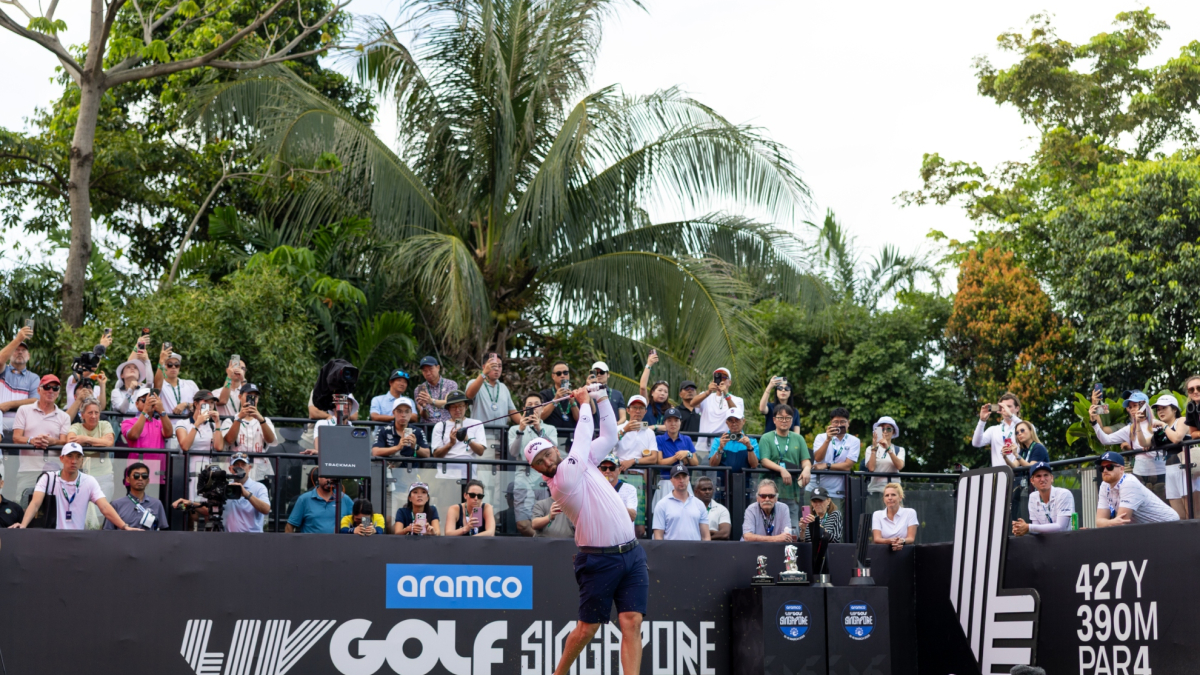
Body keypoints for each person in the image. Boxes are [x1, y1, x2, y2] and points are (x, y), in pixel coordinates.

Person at [524, 384, 644, 675]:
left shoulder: (585, 460)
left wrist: (602, 398)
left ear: (554, 449)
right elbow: (582, 435)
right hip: (598, 559)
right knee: (587, 629)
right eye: (540, 462)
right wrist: (585, 402)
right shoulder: (562, 481)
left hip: (632, 554)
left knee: (632, 621)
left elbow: (611, 436)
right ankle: (559, 673)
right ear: (537, 469)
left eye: (548, 455)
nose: (548, 462)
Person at [10, 442, 138, 530]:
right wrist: (23, 525)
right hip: (51, 536)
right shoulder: (48, 478)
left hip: (78, 537)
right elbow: (35, 504)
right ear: (61, 458)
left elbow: (104, 506)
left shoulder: (89, 481)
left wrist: (124, 526)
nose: (74, 461)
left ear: (82, 460)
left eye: (78, 457)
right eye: (69, 456)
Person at [1091, 390, 1168, 501]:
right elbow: (1105, 439)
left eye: (1135, 406)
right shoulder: (1130, 429)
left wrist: (1151, 444)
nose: (1132, 409)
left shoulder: (1158, 424)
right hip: (1140, 474)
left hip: (1161, 472)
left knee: (1163, 507)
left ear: (1144, 406)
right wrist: (1094, 424)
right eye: (1130, 407)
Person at [13, 374, 71, 500]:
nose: (51, 391)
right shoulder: (24, 410)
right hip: (28, 469)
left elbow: (64, 442)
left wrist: (52, 442)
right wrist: (31, 440)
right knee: (22, 505)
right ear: (39, 390)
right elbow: (16, 438)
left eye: (55, 388)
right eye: (47, 387)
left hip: (55, 471)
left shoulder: (64, 416)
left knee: (53, 510)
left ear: (58, 392)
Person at [509, 393, 557, 536]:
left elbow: (553, 450)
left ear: (542, 408)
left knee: (543, 519)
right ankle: (539, 541)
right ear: (523, 409)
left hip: (543, 477)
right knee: (523, 523)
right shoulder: (514, 429)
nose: (533, 408)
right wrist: (521, 430)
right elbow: (513, 452)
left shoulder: (549, 429)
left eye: (537, 405)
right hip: (523, 476)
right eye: (529, 405)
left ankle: (541, 548)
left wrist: (538, 429)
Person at [757, 403, 812, 528]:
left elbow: (805, 460)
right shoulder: (766, 437)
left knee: (791, 528)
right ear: (774, 420)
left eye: (788, 418)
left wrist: (807, 469)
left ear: (792, 420)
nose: (784, 421)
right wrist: (782, 469)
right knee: (766, 527)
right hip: (768, 493)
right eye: (780, 417)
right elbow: (764, 460)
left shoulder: (798, 438)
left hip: (791, 492)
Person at [1094, 451, 1179, 527]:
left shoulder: (1129, 483)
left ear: (1122, 469)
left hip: (1168, 525)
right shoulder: (1105, 485)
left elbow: (1122, 523)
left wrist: (1109, 522)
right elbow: (1099, 522)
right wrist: (1112, 522)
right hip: (1146, 528)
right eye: (1101, 468)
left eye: (1109, 467)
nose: (1105, 470)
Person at [220, 383, 278, 483]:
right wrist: (239, 418)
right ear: (240, 397)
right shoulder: (230, 420)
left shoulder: (265, 420)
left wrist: (261, 420)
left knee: (259, 498)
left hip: (260, 473)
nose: (252, 399)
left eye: (255, 396)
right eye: (249, 396)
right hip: (236, 472)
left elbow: (271, 440)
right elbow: (229, 440)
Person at [69, 399, 117, 517]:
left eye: (97, 412)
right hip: (81, 477)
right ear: (82, 415)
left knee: (101, 514)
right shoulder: (76, 426)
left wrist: (85, 440)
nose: (94, 416)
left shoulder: (105, 424)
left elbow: (108, 442)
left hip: (104, 476)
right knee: (80, 513)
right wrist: (98, 442)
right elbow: (70, 441)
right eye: (90, 413)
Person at [119, 387, 172, 486]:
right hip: (136, 474)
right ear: (136, 403)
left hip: (157, 473)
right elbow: (133, 435)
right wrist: (145, 411)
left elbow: (169, 433)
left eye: (152, 400)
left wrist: (162, 411)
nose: (148, 403)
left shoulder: (160, 422)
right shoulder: (127, 422)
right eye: (144, 400)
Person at [176, 389, 225, 499]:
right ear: (196, 404)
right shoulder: (183, 423)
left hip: (209, 474)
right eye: (205, 402)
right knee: (193, 510)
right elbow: (185, 446)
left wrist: (217, 423)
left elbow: (219, 447)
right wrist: (197, 423)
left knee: (209, 508)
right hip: (190, 473)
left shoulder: (212, 426)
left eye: (212, 403)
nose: (210, 405)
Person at [809, 407, 860, 508]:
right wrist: (828, 440)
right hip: (815, 487)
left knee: (835, 522)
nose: (839, 425)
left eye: (843, 421)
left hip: (836, 491)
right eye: (836, 421)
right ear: (831, 423)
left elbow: (847, 466)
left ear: (848, 423)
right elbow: (818, 458)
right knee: (810, 520)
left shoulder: (854, 441)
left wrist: (826, 466)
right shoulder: (821, 437)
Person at [687, 367, 745, 456]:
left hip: (726, 444)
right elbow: (692, 403)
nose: (721, 380)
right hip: (704, 445)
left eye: (724, 378)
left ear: (729, 383)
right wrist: (708, 391)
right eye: (717, 377)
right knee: (703, 469)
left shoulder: (738, 400)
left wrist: (726, 394)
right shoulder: (706, 395)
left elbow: (736, 414)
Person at [1161, 388, 1200, 519]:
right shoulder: (1161, 428)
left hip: (1185, 468)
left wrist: (1163, 426)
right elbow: (1146, 444)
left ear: (1174, 409)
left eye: (1164, 408)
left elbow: (1177, 438)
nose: (1160, 411)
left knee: (1193, 514)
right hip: (1169, 470)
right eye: (1158, 409)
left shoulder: (1181, 420)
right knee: (1179, 517)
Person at [431, 390, 487, 480]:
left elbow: (480, 451)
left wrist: (467, 440)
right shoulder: (440, 426)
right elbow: (436, 455)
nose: (457, 410)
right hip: (445, 476)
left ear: (466, 406)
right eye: (453, 407)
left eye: (460, 406)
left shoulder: (477, 423)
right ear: (448, 409)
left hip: (468, 475)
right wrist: (450, 444)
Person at [1012, 462, 1074, 536]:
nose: (1042, 479)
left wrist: (1028, 527)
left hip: (1065, 542)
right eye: (1038, 476)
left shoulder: (1064, 494)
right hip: (1045, 544)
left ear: (1052, 478)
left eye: (1046, 475)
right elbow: (1037, 529)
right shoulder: (1033, 497)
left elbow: (1061, 527)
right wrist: (1020, 528)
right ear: (1032, 481)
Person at [285, 467, 355, 533]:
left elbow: (362, 517)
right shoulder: (304, 499)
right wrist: (291, 545)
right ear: (319, 477)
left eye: (332, 477)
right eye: (326, 477)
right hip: (311, 545)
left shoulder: (345, 499)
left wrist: (359, 530)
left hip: (338, 545)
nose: (329, 480)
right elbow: (290, 526)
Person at [653, 465, 710, 541]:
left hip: (695, 551)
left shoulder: (699, 504)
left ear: (688, 478)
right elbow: (658, 537)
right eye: (677, 477)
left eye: (684, 476)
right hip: (671, 551)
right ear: (671, 480)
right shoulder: (662, 505)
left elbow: (706, 537)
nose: (681, 480)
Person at [104, 463, 169, 530]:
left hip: (149, 540)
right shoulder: (116, 504)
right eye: (136, 475)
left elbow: (163, 531)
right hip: (124, 540)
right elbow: (108, 531)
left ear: (148, 480)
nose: (140, 478)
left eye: (144, 476)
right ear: (128, 479)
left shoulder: (156, 504)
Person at [1007, 420, 1050, 518]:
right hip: (1027, 489)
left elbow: (1031, 467)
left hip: (1039, 489)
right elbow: (1014, 466)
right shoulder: (1023, 450)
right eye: (1017, 433)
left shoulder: (1038, 448)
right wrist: (1005, 456)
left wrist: (1016, 454)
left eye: (1022, 430)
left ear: (1031, 431)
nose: (1020, 434)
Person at [0, 326, 38, 437]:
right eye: (16, 349)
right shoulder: (3, 370)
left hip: (22, 427)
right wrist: (18, 340)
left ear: (29, 356)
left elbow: (36, 400)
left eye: (23, 350)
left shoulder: (33, 377)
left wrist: (9, 405)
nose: (20, 352)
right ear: (10, 354)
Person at [466, 353, 519, 429]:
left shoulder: (503, 388)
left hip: (500, 435)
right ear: (484, 367)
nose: (497, 368)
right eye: (493, 366)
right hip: (480, 436)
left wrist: (526, 423)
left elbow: (512, 412)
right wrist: (484, 373)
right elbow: (469, 395)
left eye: (499, 366)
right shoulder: (474, 383)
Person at [865, 416, 905, 513]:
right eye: (882, 429)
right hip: (875, 491)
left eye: (889, 428)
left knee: (896, 522)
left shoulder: (899, 449)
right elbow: (871, 468)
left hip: (894, 493)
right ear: (877, 431)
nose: (885, 431)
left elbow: (899, 466)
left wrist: (888, 449)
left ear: (893, 432)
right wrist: (874, 447)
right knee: (874, 524)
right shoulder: (870, 448)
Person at [972, 393, 1023, 467]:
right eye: (1003, 407)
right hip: (998, 475)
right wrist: (982, 420)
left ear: (1017, 408)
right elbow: (976, 443)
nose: (1005, 409)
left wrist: (1011, 416)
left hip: (1018, 473)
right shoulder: (994, 429)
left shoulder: (1022, 428)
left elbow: (1029, 429)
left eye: (1008, 406)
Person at [374, 396, 431, 463]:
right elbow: (375, 452)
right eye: (399, 411)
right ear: (393, 413)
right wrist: (398, 447)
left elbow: (427, 454)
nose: (403, 415)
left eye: (407, 411)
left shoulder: (418, 431)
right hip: (389, 471)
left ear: (411, 413)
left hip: (412, 471)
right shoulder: (384, 430)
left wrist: (415, 446)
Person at [742, 477, 792, 542]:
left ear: (776, 498)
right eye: (763, 496)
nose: (767, 499)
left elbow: (787, 536)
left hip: (776, 549)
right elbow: (747, 536)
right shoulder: (751, 509)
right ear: (757, 498)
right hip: (755, 549)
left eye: (771, 496)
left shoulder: (783, 508)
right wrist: (776, 538)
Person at [709, 408, 759, 472]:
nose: (734, 423)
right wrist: (720, 448)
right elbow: (712, 464)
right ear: (727, 423)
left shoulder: (752, 441)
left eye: (737, 420)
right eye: (730, 421)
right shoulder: (718, 440)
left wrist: (749, 447)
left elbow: (754, 465)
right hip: (722, 480)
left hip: (744, 480)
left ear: (743, 421)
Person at [872, 483, 918, 551]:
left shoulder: (910, 512)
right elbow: (877, 539)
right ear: (884, 499)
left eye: (893, 495)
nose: (890, 498)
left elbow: (911, 538)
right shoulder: (877, 514)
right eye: (887, 495)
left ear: (900, 497)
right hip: (883, 553)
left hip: (905, 552)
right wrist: (891, 541)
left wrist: (902, 541)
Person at [616, 395, 658, 471]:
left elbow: (654, 458)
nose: (638, 411)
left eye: (641, 408)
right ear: (628, 410)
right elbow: (608, 445)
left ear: (645, 411)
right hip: (619, 472)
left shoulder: (650, 432)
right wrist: (625, 430)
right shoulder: (618, 428)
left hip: (639, 474)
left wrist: (633, 461)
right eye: (634, 407)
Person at [153, 348, 198, 415]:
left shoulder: (190, 384)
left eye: (176, 364)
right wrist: (161, 361)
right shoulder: (160, 384)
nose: (173, 367)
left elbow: (202, 405)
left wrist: (186, 404)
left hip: (188, 424)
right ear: (163, 366)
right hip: (166, 424)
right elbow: (156, 388)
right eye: (169, 364)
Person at [414, 355, 458, 424]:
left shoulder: (450, 384)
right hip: (428, 427)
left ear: (438, 368)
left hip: (447, 425)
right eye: (424, 370)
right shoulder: (419, 389)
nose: (428, 373)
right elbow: (424, 416)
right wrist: (424, 407)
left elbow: (448, 403)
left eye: (431, 369)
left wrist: (431, 401)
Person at [539, 360, 580, 430]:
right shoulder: (544, 394)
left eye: (565, 372)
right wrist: (555, 400)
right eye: (558, 373)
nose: (562, 376)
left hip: (571, 435)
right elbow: (540, 417)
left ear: (569, 375)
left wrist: (573, 403)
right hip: (551, 436)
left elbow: (581, 421)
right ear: (553, 376)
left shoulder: (576, 394)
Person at [599, 454, 638, 522]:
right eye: (604, 468)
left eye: (612, 468)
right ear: (599, 470)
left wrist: (612, 505)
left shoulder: (629, 489)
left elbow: (633, 516)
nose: (607, 471)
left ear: (619, 470)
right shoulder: (595, 489)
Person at [638, 351, 672, 428]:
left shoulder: (670, 408)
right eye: (660, 390)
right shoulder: (646, 404)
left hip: (663, 439)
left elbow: (673, 427)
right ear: (652, 392)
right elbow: (643, 387)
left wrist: (654, 427)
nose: (663, 393)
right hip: (646, 438)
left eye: (666, 392)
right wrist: (649, 364)